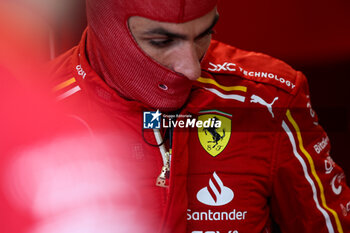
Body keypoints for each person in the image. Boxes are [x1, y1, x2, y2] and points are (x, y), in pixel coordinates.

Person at [48, 0, 350, 232]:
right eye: (162, 41)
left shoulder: (268, 99)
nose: (190, 68)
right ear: (106, 28)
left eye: (204, 34)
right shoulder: (32, 112)